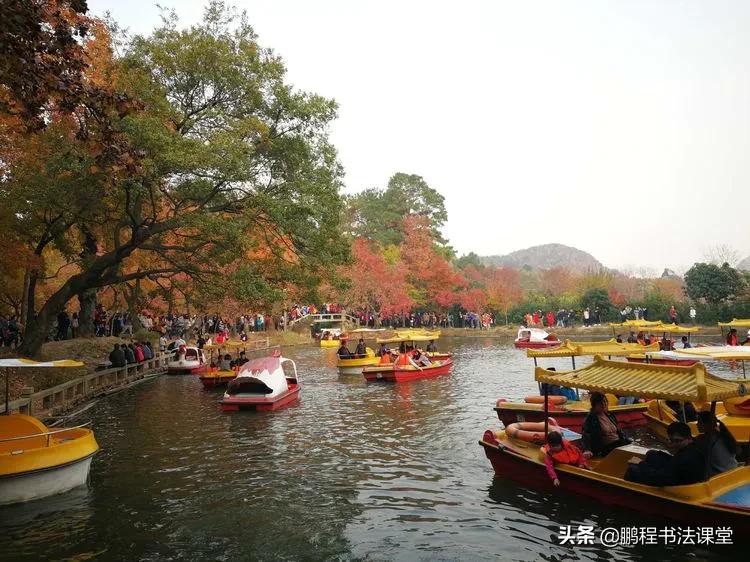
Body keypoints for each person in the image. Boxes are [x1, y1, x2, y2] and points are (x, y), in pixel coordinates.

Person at [624, 422, 705, 486]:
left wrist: (641, 463)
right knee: (652, 454)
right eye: (671, 440)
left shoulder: (684, 458)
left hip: (676, 484)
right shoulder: (694, 444)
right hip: (676, 474)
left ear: (689, 438)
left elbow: (660, 478)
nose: (673, 444)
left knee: (632, 469)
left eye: (677, 441)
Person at [581, 392, 631, 457]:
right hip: (605, 448)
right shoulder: (591, 418)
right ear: (594, 404)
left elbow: (619, 431)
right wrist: (587, 450)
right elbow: (586, 434)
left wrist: (627, 440)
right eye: (600, 403)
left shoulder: (610, 415)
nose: (603, 404)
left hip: (618, 443)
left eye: (605, 401)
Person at [695, 411, 738, 477]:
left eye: (699, 422)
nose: (697, 424)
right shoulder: (722, 435)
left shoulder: (706, 439)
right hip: (734, 471)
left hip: (721, 477)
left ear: (707, 424)